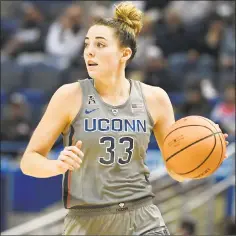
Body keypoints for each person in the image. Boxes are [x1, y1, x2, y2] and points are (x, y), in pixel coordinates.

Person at [20, 2, 228, 235]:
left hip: (142, 218)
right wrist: (56, 165)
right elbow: (29, 161)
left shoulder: (155, 98)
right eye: (87, 44)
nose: (89, 51)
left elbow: (176, 170)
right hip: (87, 221)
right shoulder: (69, 95)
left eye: (100, 45)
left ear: (124, 53)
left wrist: (206, 154)